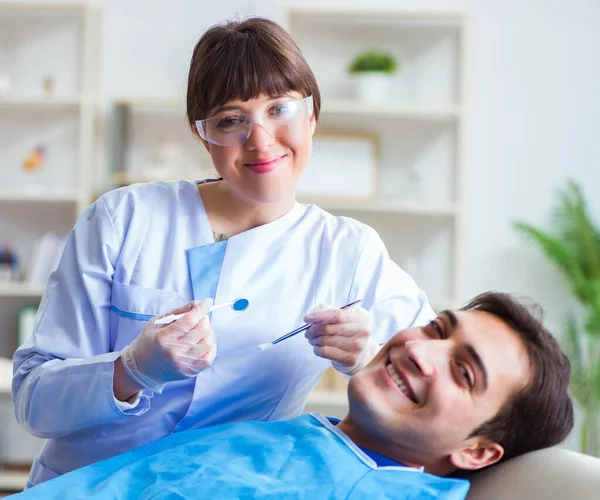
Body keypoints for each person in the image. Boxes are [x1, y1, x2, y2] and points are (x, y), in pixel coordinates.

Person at [11, 17, 435, 487]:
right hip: (84, 487)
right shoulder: (124, 218)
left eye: (280, 109)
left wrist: (366, 357)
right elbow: (32, 400)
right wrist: (130, 369)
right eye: (231, 120)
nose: (260, 139)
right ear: (203, 134)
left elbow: (438, 391)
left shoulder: (348, 252)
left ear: (312, 116)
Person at [10, 292, 574, 499]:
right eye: (437, 328)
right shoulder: (319, 438)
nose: (418, 350)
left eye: (464, 373)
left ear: (477, 453)